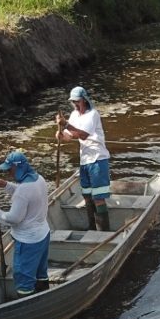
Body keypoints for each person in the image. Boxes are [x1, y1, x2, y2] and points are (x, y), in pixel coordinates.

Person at [0, 149, 50, 295]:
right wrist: (6, 185)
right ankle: (44, 296)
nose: (9, 173)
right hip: (43, 235)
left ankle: (27, 308)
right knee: (41, 273)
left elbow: (14, 218)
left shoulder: (23, 191)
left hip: (28, 241)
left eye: (10, 170)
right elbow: (27, 195)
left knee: (24, 281)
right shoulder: (39, 179)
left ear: (18, 167)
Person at [55, 86, 111, 231]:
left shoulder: (92, 114)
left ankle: (103, 231)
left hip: (98, 159)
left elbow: (84, 134)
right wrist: (61, 135)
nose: (75, 105)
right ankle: (92, 228)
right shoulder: (74, 115)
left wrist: (66, 124)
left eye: (77, 101)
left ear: (84, 100)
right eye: (73, 102)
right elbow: (70, 135)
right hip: (85, 160)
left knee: (98, 198)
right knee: (87, 196)